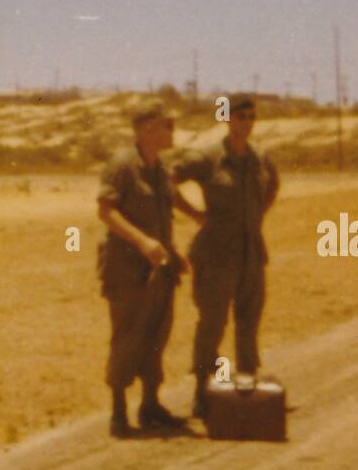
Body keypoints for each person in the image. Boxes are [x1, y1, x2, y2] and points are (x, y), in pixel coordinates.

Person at [171, 93, 279, 416]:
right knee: (213, 323)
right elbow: (168, 181)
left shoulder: (259, 157)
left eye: (251, 118)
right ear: (227, 118)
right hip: (216, 253)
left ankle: (246, 386)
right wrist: (195, 213)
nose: (245, 124)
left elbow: (272, 185)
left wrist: (258, 213)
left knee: (249, 321)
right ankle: (201, 390)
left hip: (251, 253)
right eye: (240, 117)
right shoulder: (208, 156)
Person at [97, 99, 198, 437]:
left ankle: (150, 404)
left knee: (157, 335)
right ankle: (119, 412)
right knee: (127, 335)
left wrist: (173, 252)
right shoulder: (123, 165)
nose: (172, 131)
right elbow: (106, 211)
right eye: (166, 125)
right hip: (126, 269)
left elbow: (163, 214)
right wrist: (142, 243)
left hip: (159, 268)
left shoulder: (160, 169)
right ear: (146, 129)